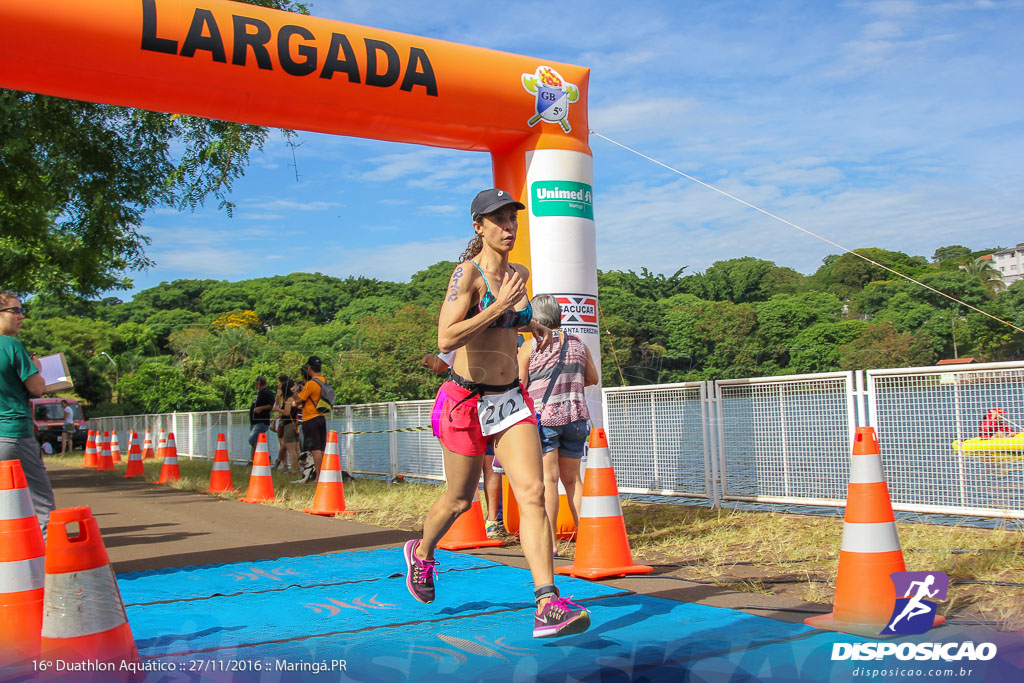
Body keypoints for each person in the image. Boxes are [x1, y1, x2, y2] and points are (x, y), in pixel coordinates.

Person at [404, 188, 590, 638]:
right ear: (478, 226)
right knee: (460, 500)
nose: (508, 228)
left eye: (513, 219)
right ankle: (423, 552)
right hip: (465, 398)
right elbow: (447, 339)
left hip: (510, 399)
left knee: (531, 494)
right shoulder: (466, 275)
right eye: (499, 220)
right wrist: (502, 307)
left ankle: (547, 602)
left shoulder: (519, 272)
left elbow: (511, 321)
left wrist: (530, 322)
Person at [518, 294, 600, 544]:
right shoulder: (578, 343)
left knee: (549, 480)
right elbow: (592, 378)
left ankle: (551, 542)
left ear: (538, 318)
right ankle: (587, 539)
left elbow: (520, 384)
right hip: (576, 418)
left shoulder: (530, 347)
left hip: (546, 420)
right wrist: (570, 385)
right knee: (574, 480)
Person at [424, 349, 503, 536]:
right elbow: (446, 343)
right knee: (460, 498)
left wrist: (427, 359)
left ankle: (492, 521)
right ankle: (424, 549)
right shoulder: (465, 334)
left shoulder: (504, 328)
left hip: (490, 404)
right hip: (463, 405)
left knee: (527, 486)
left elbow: (438, 365)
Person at [0, 291, 56, 539]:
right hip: (13, 433)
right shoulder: (12, 346)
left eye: (22, 311)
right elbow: (37, 388)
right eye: (15, 311)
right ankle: (51, 567)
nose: (21, 316)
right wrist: (38, 369)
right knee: (41, 503)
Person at [292, 356, 328, 482]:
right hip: (321, 417)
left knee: (315, 449)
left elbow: (298, 401)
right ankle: (321, 475)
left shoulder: (311, 383)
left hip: (311, 418)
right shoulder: (324, 380)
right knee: (321, 449)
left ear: (309, 368)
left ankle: (318, 477)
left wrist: (295, 392)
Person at [272, 375, 301, 473]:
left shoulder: (289, 399)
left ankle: (294, 469)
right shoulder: (293, 398)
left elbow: (286, 412)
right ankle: (297, 468)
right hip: (294, 425)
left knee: (291, 449)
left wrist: (278, 409)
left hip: (289, 425)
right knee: (296, 449)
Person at [248, 375, 276, 460]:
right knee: (256, 441)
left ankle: (264, 457)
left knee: (252, 439)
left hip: (261, 421)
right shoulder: (260, 393)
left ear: (258, 383)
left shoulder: (267, 393)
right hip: (254, 422)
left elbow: (272, 405)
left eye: (255, 383)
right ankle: (255, 461)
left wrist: (261, 408)